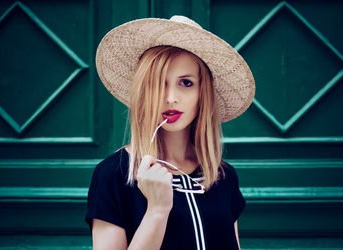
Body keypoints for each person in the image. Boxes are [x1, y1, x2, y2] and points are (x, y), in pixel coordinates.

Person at [85, 15, 255, 250]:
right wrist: (157, 210)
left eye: (186, 83)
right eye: (158, 84)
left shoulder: (221, 175)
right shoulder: (113, 175)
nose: (171, 98)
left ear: (202, 94)